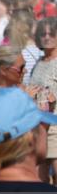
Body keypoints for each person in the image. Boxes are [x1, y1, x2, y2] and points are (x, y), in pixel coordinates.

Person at [28, 17, 57, 179]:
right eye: (43, 34)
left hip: (55, 126)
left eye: (51, 33)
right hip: (39, 125)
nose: (47, 37)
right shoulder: (39, 61)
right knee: (40, 178)